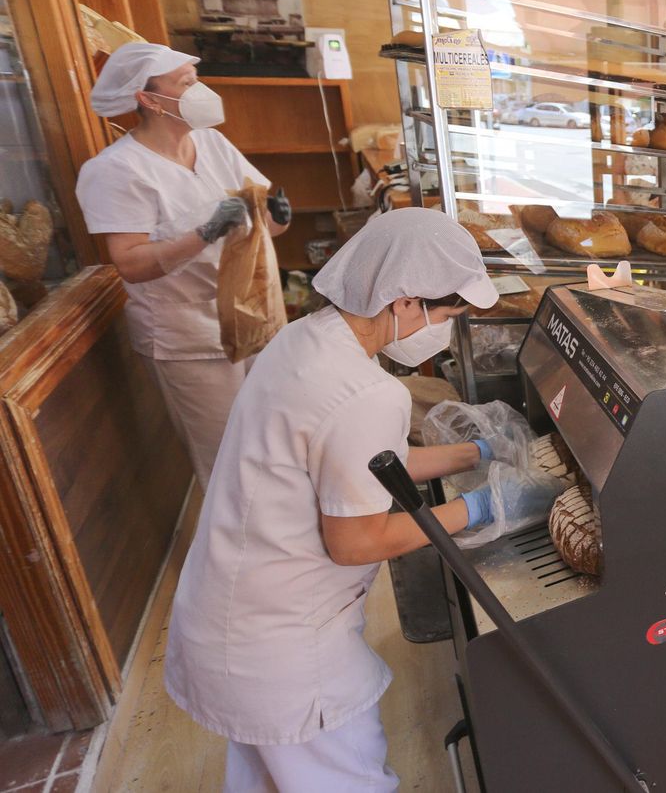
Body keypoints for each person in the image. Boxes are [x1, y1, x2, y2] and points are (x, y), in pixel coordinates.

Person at [162, 209, 561, 791]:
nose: (443, 329)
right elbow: (356, 542)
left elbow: (366, 462)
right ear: (405, 301)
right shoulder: (366, 393)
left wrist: (474, 453)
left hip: (230, 609)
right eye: (445, 315)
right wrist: (485, 508)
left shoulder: (306, 340)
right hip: (284, 644)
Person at [76, 43, 292, 490]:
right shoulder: (115, 170)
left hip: (249, 316)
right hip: (188, 338)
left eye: (197, 80)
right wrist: (205, 232)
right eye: (186, 83)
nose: (200, 91)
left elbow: (258, 222)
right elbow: (131, 263)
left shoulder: (211, 143)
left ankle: (280, 526)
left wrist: (277, 217)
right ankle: (235, 535)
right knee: (227, 462)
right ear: (149, 99)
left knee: (271, 441)